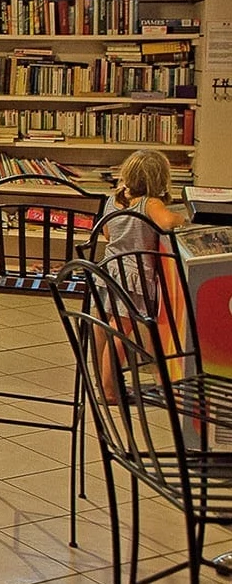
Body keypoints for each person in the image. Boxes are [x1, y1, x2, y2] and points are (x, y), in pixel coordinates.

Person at [96, 150, 186, 401]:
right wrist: (183, 217)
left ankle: (101, 380)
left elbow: (107, 233)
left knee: (104, 324)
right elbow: (167, 223)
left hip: (109, 268)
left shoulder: (113, 198)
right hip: (134, 276)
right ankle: (109, 388)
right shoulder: (150, 203)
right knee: (121, 331)